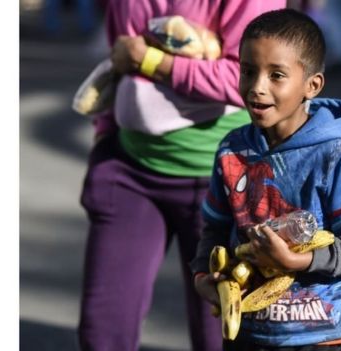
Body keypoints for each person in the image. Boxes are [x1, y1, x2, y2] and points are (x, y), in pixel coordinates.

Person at [77, 1, 285, 350]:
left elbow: (252, 78)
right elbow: (119, 56)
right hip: (131, 172)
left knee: (221, 335)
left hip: (226, 185)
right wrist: (105, 134)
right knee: (102, 333)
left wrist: (153, 62)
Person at [191, 9, 341, 350]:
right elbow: (215, 229)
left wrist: (298, 261)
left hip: (319, 334)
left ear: (312, 85)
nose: (256, 87)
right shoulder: (231, 150)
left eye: (276, 75)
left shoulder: (336, 155)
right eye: (248, 71)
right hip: (247, 330)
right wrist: (204, 277)